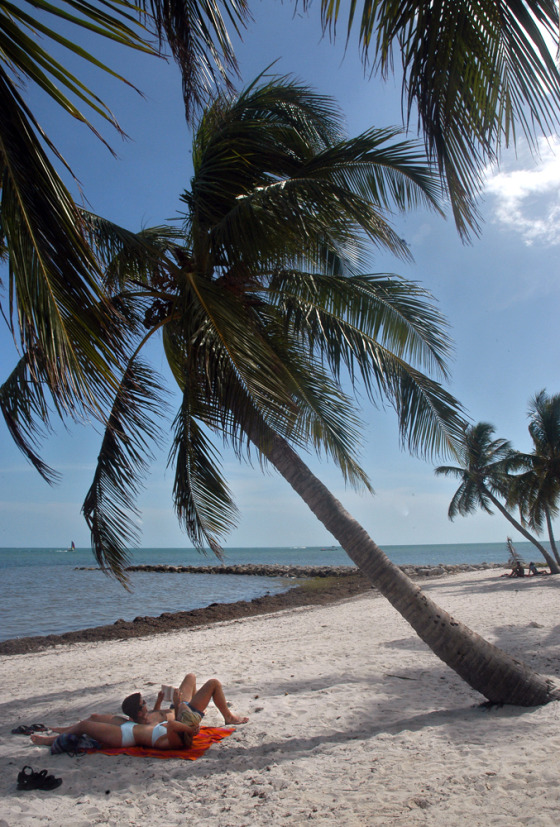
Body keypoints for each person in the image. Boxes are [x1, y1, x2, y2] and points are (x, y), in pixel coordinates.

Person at [121, 673, 249, 727]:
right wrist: (177, 704)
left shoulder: (142, 717)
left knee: (190, 677)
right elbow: (176, 723)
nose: (145, 703)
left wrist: (159, 701)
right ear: (138, 712)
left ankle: (199, 708)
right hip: (183, 713)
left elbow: (156, 713)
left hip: (179, 707)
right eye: (142, 703)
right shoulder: (149, 725)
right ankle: (228, 717)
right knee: (213, 683)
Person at [29, 712, 198, 752]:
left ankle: (50, 740)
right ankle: (64, 729)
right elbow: (171, 721)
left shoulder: (172, 742)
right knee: (94, 716)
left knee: (85, 726)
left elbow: (171, 722)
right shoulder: (176, 733)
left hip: (126, 736)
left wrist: (190, 729)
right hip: (128, 726)